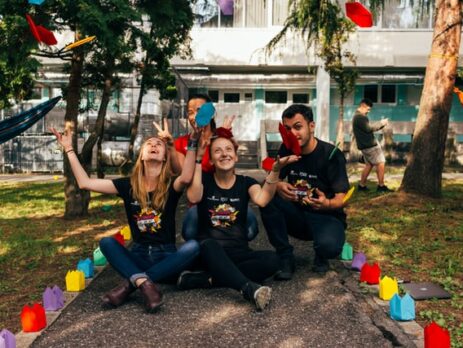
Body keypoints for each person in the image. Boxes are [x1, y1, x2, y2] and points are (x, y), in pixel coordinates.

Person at [50, 121, 200, 312]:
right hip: (137, 255)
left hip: (166, 256)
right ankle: (145, 282)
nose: (154, 145)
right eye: (149, 144)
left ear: (164, 158)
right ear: (142, 157)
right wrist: (69, 149)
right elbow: (85, 183)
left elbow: (186, 177)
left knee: (194, 247)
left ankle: (131, 284)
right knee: (106, 242)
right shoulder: (127, 185)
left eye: (158, 145)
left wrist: (193, 141)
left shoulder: (171, 185)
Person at [179, 132, 298, 310]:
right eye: (217, 151)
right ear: (211, 159)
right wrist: (197, 159)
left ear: (236, 156)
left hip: (239, 253)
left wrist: (275, 170)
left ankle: (204, 279)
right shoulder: (204, 180)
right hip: (210, 252)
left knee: (273, 260)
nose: (224, 154)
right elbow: (193, 197)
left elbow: (262, 199)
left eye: (228, 149)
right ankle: (247, 288)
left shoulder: (246, 182)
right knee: (208, 244)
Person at [260, 104, 350, 280]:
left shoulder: (331, 154)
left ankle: (321, 254)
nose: (292, 133)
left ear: (311, 126)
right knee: (266, 197)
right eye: (287, 129)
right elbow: (270, 179)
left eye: (298, 127)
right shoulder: (287, 149)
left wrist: (328, 204)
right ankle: (285, 257)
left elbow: (343, 198)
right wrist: (278, 186)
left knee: (329, 247)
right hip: (298, 215)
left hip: (326, 216)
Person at [173, 93, 259, 241]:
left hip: (228, 198)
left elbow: (230, 165)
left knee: (251, 227)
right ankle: (208, 251)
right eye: (190, 112)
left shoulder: (222, 137)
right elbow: (185, 178)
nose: (194, 116)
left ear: (211, 113)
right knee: (189, 232)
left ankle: (231, 249)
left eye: (199, 110)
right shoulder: (181, 143)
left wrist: (226, 137)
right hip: (199, 200)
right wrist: (193, 146)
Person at [352, 98, 392, 192]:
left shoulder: (357, 116)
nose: (368, 111)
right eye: (368, 109)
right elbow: (369, 128)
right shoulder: (360, 117)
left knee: (369, 165)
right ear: (362, 106)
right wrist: (382, 123)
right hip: (370, 145)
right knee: (381, 162)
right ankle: (381, 186)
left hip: (364, 146)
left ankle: (362, 186)